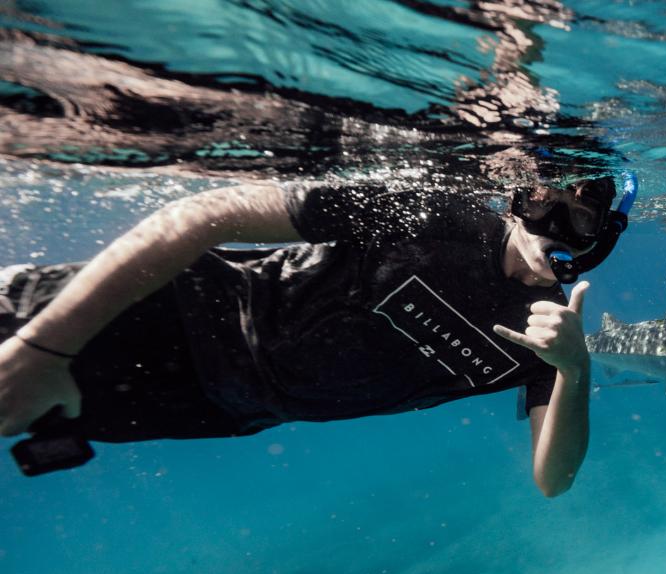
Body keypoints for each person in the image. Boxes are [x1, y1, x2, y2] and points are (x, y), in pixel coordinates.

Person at [0, 172, 633, 495]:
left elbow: (554, 482)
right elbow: (205, 213)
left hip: (208, 407)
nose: (547, 224)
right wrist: (43, 345)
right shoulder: (435, 214)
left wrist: (574, 372)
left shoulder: (552, 337)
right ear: (516, 195)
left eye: (576, 217)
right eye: (538, 201)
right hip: (145, 314)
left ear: (602, 237)